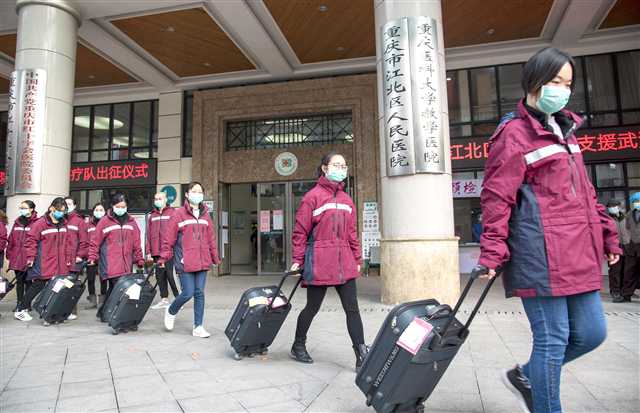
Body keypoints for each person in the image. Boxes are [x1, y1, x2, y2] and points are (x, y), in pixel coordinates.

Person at [477, 47, 622, 413]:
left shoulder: (566, 129)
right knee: (552, 340)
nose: (562, 89)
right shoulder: (513, 134)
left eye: (568, 83)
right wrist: (492, 252)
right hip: (539, 254)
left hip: (577, 250)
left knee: (592, 334)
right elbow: (496, 198)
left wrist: (606, 231)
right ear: (534, 81)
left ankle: (527, 375)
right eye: (555, 80)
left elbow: (585, 191)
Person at [289, 151, 368, 370]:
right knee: (312, 308)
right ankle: (298, 345)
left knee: (352, 309)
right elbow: (300, 232)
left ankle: (361, 353)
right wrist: (298, 259)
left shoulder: (346, 199)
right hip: (320, 262)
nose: (341, 169)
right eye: (336, 165)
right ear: (324, 168)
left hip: (344, 262)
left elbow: (351, 232)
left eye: (344, 166)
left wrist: (357, 256)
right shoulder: (312, 197)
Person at [160, 182, 220, 338]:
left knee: (199, 293)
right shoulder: (178, 214)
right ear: (187, 194)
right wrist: (164, 257)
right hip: (185, 261)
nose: (198, 194)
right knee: (188, 293)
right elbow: (169, 239)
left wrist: (215, 257)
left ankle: (198, 326)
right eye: (194, 191)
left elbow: (211, 238)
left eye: (200, 192)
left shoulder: (206, 214)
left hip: (202, 260)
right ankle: (171, 310)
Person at [88, 193, 144, 320]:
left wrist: (139, 258)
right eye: (118, 206)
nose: (121, 208)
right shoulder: (105, 221)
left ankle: (103, 312)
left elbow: (136, 242)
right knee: (118, 288)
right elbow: (95, 241)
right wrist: (92, 257)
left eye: (123, 206)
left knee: (115, 288)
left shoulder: (132, 222)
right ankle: (115, 314)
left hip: (126, 263)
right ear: (112, 206)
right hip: (110, 262)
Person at [16, 198, 71, 325]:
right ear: (52, 208)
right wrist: (30, 258)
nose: (61, 213)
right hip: (44, 262)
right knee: (38, 285)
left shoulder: (64, 223)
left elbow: (67, 243)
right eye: (59, 210)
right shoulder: (40, 223)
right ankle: (21, 309)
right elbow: (31, 241)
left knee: (57, 287)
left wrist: (68, 259)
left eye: (63, 211)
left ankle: (52, 311)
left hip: (60, 263)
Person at [146, 191, 179, 309]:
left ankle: (178, 299)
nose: (157, 201)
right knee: (160, 276)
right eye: (156, 199)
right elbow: (148, 235)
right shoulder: (152, 216)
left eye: (160, 198)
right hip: (156, 251)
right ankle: (164, 299)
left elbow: (177, 232)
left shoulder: (173, 213)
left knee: (171, 275)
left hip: (169, 251)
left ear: (166, 200)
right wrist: (148, 251)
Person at [7, 200, 37, 317]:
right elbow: (11, 239)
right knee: (19, 282)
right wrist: (9, 253)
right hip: (17, 257)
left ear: (31, 209)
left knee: (29, 282)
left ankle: (27, 304)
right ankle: (20, 303)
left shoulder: (36, 223)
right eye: (21, 208)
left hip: (29, 257)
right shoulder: (17, 222)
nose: (22, 209)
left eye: (24, 207)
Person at [64, 197, 89, 320]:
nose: (67, 206)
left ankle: (71, 310)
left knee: (70, 285)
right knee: (60, 285)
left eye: (69, 203)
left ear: (74, 205)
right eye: (65, 204)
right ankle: (59, 308)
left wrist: (79, 256)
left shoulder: (79, 221)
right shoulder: (59, 220)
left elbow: (84, 241)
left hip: (74, 260)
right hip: (60, 261)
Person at [606, 200, 631, 302]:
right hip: (612, 248)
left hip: (627, 247)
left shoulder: (626, 218)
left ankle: (624, 291)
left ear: (620, 207)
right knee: (614, 270)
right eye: (610, 206)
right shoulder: (607, 219)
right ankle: (615, 291)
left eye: (615, 206)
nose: (613, 208)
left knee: (626, 270)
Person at [85, 202, 108, 309]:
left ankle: (103, 300)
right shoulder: (88, 225)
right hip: (91, 255)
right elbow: (85, 240)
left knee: (103, 278)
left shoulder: (108, 223)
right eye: (96, 210)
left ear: (105, 212)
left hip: (104, 255)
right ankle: (92, 300)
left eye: (101, 210)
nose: (99, 212)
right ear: (93, 212)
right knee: (90, 278)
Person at [622, 192, 640, 302]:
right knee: (629, 270)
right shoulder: (629, 214)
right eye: (635, 202)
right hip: (633, 246)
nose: (637, 204)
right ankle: (626, 294)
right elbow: (626, 228)